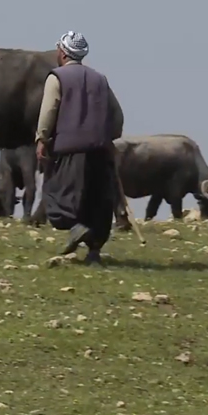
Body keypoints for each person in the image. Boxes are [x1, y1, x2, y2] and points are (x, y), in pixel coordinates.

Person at [36, 31, 124, 265]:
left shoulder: (57, 78)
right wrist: (109, 137)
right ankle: (94, 253)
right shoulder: (100, 79)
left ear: (62, 53)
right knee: (98, 202)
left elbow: (49, 111)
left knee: (58, 197)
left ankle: (76, 229)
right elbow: (117, 117)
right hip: (100, 150)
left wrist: (42, 139)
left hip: (69, 150)